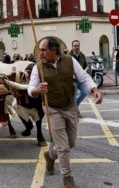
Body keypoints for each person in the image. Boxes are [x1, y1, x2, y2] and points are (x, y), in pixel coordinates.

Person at [28, 37, 102, 188]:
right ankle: (68, 180)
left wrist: (94, 90)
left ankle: (50, 156)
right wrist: (37, 90)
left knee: (71, 143)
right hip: (52, 108)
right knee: (63, 147)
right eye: (40, 50)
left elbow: (84, 78)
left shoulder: (69, 61)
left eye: (43, 50)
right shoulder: (38, 68)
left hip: (70, 106)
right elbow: (30, 89)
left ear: (53, 50)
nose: (40, 53)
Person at [69, 40, 88, 117]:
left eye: (78, 45)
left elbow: (85, 65)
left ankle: (75, 106)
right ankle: (76, 111)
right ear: (72, 47)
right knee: (74, 96)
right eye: (75, 45)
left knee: (85, 93)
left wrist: (85, 71)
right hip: (72, 80)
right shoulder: (68, 56)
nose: (77, 47)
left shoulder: (82, 55)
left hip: (81, 79)